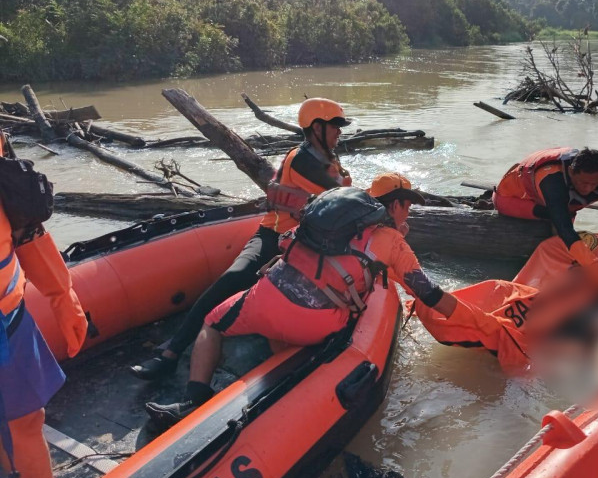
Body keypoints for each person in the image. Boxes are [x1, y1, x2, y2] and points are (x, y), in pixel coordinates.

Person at [144, 173, 457, 425]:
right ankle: (287, 390)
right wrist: (467, 317)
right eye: (407, 205)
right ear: (396, 206)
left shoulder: (329, 218)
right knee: (309, 325)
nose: (410, 211)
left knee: (212, 323)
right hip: (318, 324)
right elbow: (428, 293)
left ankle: (193, 399)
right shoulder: (391, 241)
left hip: (265, 300)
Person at [130, 97, 353, 380]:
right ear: (317, 127)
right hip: (273, 236)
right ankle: (170, 353)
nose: (339, 131)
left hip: (304, 243)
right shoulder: (303, 159)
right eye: (335, 126)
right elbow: (342, 199)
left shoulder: (330, 160)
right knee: (232, 278)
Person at [0, 133, 88, 478]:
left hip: (7, 318)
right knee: (22, 424)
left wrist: (62, 295)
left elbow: (22, 219)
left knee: (23, 424)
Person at [493, 147, 598, 269]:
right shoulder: (552, 179)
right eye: (583, 183)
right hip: (509, 198)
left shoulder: (597, 171)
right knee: (560, 217)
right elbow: (563, 226)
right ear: (571, 171)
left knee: (567, 215)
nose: (588, 188)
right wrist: (592, 265)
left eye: (594, 184)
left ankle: (574, 252)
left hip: (550, 198)